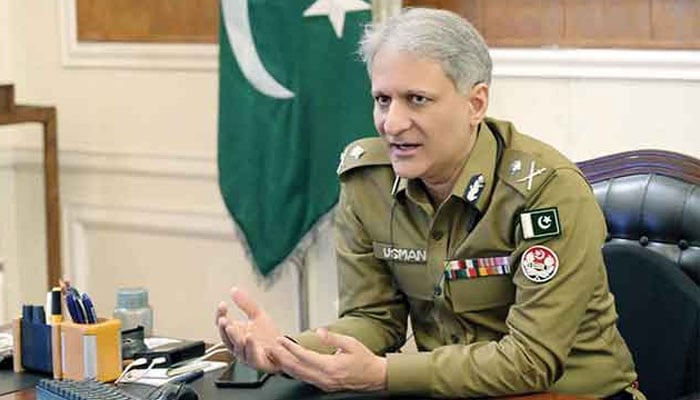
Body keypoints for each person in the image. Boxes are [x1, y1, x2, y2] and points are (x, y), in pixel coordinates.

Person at [216, 7, 644, 399]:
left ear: (475, 103)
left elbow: (530, 362)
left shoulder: (546, 194)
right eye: (383, 99)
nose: (393, 123)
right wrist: (287, 351)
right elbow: (373, 319)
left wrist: (384, 374)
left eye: (416, 99)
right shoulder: (369, 182)